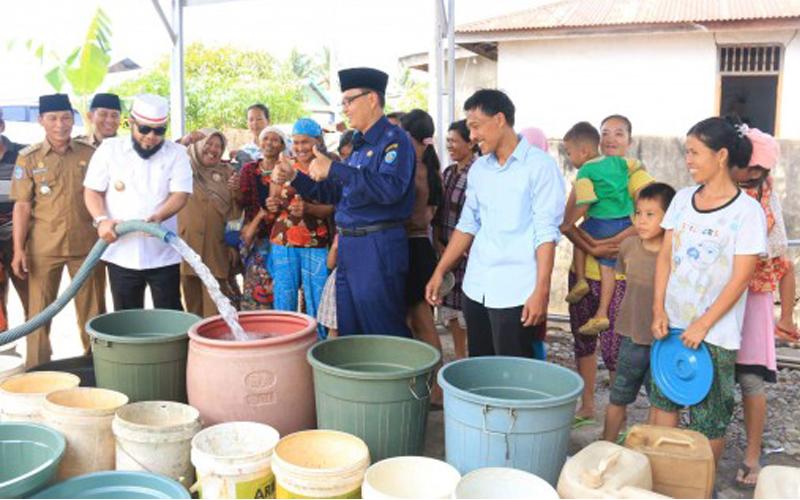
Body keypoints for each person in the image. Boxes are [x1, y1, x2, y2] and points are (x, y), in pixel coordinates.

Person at [651, 116, 767, 470]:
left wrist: (703, 324)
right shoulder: (683, 200)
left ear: (720, 156)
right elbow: (665, 258)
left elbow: (741, 277)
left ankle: (697, 488)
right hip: (671, 325)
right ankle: (663, 483)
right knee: (664, 403)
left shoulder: (748, 212)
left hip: (715, 334)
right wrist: (657, 309)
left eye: (694, 152)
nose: (688, 159)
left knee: (710, 416)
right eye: (687, 152)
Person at [271, 67, 416, 337]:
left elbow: (390, 189)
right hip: (350, 245)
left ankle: (395, 380)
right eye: (343, 102)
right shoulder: (359, 145)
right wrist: (295, 178)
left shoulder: (395, 140)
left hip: (377, 245)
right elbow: (337, 194)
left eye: (349, 101)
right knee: (350, 329)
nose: (345, 108)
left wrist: (336, 170)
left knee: (382, 330)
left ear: (372, 99)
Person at [426, 89, 565, 357]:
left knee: (513, 379)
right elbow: (467, 225)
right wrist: (440, 271)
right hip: (477, 287)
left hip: (517, 292)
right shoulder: (480, 170)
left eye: (476, 126)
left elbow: (546, 234)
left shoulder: (540, 167)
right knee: (481, 371)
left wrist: (541, 291)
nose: (472, 136)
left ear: (500, 119)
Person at [567, 114, 654, 424]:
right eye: (606, 133)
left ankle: (617, 417)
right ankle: (587, 405)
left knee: (616, 348)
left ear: (629, 141)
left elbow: (651, 216)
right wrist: (591, 247)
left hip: (619, 277)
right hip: (583, 272)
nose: (612, 139)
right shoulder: (592, 172)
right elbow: (572, 215)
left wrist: (613, 240)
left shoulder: (635, 174)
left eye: (619, 133)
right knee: (583, 340)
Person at [10, 93, 106, 367]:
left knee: (93, 312)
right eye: (52, 118)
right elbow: (22, 207)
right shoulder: (28, 158)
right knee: (38, 313)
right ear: (41, 121)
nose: (60, 124)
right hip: (44, 248)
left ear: (73, 119)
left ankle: (97, 366)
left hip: (87, 247)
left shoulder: (90, 154)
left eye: (65, 117)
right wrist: (18, 250)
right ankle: (37, 369)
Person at [84, 93, 193, 311]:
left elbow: (181, 193)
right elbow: (92, 191)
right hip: (121, 252)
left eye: (159, 131)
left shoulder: (178, 154)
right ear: (131, 123)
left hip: (163, 252)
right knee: (127, 317)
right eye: (144, 129)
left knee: (170, 315)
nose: (151, 137)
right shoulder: (109, 150)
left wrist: (159, 217)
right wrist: (101, 220)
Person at [730, 127, 795, 486]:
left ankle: (752, 454)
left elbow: (783, 259)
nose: (752, 179)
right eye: (748, 171)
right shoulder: (709, 194)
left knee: (751, 378)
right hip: (715, 297)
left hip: (753, 300)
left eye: (758, 173)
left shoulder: (767, 198)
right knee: (710, 376)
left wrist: (784, 316)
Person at [602, 182, 675, 442]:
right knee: (618, 395)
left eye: (650, 214)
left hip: (663, 341)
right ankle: (606, 445)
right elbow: (621, 281)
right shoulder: (629, 247)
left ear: (670, 217)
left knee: (659, 401)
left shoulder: (676, 255)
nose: (641, 221)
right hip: (630, 337)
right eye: (638, 213)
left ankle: (647, 452)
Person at [561, 122, 636, 336]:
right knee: (608, 269)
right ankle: (602, 313)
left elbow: (586, 199)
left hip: (600, 221)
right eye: (606, 134)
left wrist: (568, 224)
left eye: (569, 153)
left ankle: (581, 281)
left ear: (583, 151)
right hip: (622, 222)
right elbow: (635, 165)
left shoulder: (586, 170)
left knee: (579, 235)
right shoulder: (619, 163)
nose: (569, 158)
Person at [267, 118, 333, 337]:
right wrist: (273, 204)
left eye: (305, 142)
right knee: (284, 297)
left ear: (318, 141)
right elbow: (273, 199)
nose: (300, 147)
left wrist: (308, 210)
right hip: (283, 241)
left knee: (318, 299)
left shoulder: (327, 165)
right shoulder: (284, 165)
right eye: (295, 142)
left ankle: (319, 349)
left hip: (316, 241)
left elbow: (333, 207)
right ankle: (284, 346)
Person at [177, 129, 241, 317]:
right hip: (188, 246)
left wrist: (232, 246)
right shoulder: (182, 167)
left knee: (217, 308)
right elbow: (164, 154)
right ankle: (197, 345)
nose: (213, 149)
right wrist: (184, 140)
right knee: (192, 306)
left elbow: (235, 213)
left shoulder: (229, 173)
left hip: (217, 249)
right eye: (209, 144)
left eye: (219, 146)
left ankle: (215, 346)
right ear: (196, 146)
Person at [432, 119, 475, 360]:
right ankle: (460, 357)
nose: (450, 145)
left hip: (469, 253)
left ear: (470, 143)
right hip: (447, 249)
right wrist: (439, 244)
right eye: (447, 141)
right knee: (451, 311)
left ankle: (470, 358)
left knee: (467, 310)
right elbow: (439, 212)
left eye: (454, 141)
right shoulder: (448, 173)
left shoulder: (478, 173)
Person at [237, 126, 286, 310]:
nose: (269, 143)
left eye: (275, 140)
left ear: (282, 145)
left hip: (282, 238)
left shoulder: (287, 170)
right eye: (266, 138)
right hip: (256, 236)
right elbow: (241, 201)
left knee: (280, 287)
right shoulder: (249, 169)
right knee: (255, 284)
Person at [0, 108, 29, 325]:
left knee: (31, 293)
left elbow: (29, 196)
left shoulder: (23, 154)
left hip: (18, 233)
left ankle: (36, 344)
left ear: (2, 126)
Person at [316, 234, 339, 337]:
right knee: (334, 328)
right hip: (338, 282)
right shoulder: (341, 235)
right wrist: (335, 247)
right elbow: (330, 265)